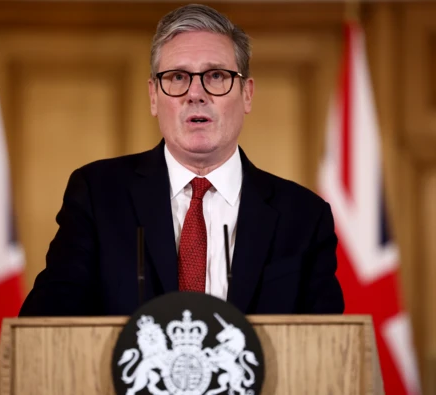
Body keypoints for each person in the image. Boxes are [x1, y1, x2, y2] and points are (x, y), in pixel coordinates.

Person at [19, 4, 343, 317]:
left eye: (216, 76)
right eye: (177, 77)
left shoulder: (303, 217)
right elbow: (45, 325)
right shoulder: (97, 196)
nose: (196, 93)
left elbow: (326, 350)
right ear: (153, 96)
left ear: (247, 94)